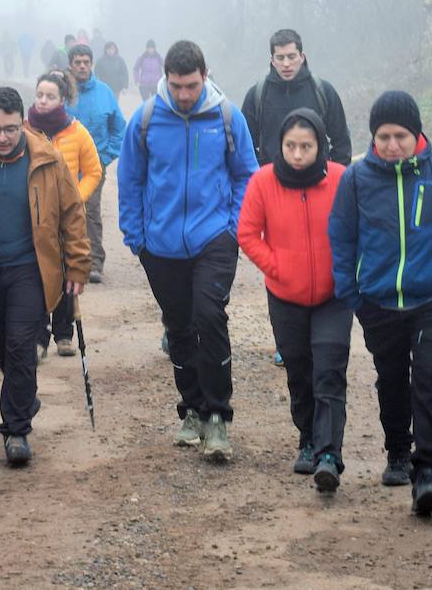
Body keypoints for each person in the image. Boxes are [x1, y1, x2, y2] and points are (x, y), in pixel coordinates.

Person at [328, 91, 432, 516]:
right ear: (373, 138)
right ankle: (397, 451)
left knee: (430, 380)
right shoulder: (356, 179)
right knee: (392, 378)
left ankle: (427, 473)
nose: (393, 145)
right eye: (384, 136)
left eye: (401, 135)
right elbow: (341, 239)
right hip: (377, 301)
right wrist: (353, 295)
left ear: (417, 134)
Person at [118, 40, 258, 462]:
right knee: (178, 326)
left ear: (205, 75)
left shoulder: (227, 116)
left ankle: (218, 416)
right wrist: (135, 236)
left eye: (192, 85)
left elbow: (246, 175)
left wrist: (233, 229)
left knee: (209, 315)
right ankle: (192, 409)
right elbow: (130, 179)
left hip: (214, 237)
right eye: (177, 85)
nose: (184, 94)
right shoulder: (145, 119)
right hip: (159, 244)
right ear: (166, 78)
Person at [0, 87, 91, 465]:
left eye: (10, 129)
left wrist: (77, 264)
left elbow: (73, 213)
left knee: (22, 344)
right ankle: (25, 396)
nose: (2, 137)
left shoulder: (47, 158)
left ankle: (16, 430)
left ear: (21, 123)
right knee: (1, 342)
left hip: (31, 268)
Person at [237, 109, 349, 491]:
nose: (298, 154)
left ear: (320, 146)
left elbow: (359, 228)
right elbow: (248, 233)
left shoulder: (340, 179)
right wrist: (278, 267)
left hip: (334, 296)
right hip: (285, 296)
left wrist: (346, 272)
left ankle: (329, 454)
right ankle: (306, 440)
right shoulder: (263, 181)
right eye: (290, 146)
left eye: (306, 146)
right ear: (279, 146)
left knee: (330, 369)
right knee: (300, 372)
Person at [26, 69, 102, 359]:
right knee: (34, 274)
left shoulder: (76, 131)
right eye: (39, 95)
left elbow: (93, 171)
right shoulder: (24, 130)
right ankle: (38, 336)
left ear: (63, 99)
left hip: (67, 218)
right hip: (32, 217)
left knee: (68, 271)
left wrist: (75, 200)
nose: (43, 101)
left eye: (50, 96)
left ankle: (64, 333)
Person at [242, 29, 352, 167]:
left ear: (302, 57)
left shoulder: (323, 91)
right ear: (272, 60)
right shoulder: (256, 96)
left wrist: (335, 177)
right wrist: (262, 174)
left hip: (318, 180)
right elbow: (245, 145)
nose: (286, 64)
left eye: (291, 56)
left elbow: (341, 140)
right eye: (280, 58)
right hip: (273, 182)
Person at [68, 44, 126, 284]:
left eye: (86, 62)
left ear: (91, 64)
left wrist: (103, 158)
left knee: (90, 210)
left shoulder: (105, 93)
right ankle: (64, 259)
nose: (82, 66)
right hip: (61, 166)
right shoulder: (61, 90)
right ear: (70, 65)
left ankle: (94, 262)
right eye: (77, 62)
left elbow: (119, 129)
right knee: (63, 211)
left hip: (94, 167)